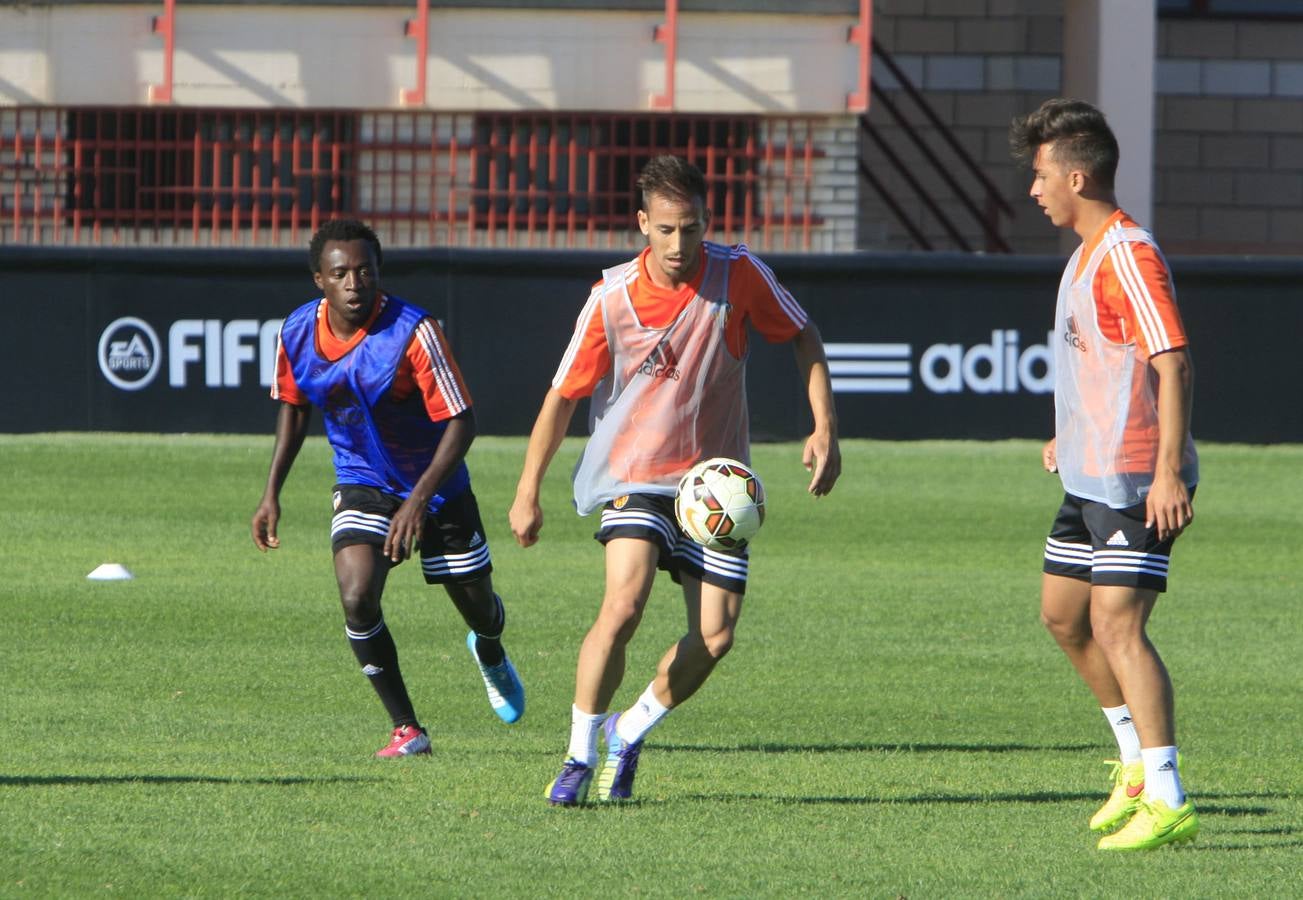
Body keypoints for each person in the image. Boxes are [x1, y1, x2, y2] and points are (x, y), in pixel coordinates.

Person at [508, 155, 841, 805]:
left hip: (714, 487)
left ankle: (628, 732)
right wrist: (527, 491)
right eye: (665, 229)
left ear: (705, 222)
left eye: (690, 228)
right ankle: (578, 756)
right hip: (633, 475)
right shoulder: (610, 298)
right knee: (623, 604)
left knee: (715, 636)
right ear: (641, 224)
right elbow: (561, 396)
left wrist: (823, 427)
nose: (679, 244)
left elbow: (804, 336)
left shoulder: (738, 275)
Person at [251, 218, 524, 758]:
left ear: (379, 273)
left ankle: (489, 650)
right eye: (340, 273)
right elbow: (293, 406)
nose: (354, 282)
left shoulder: (413, 332)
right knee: (356, 596)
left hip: (436, 484)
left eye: (364, 271)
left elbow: (462, 421)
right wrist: (271, 492)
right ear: (319, 280)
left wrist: (418, 502)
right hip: (362, 479)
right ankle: (408, 729)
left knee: (479, 609)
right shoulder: (297, 332)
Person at [1010, 99, 1200, 850]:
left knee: (1119, 627)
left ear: (1077, 176)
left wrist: (1166, 476)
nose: (1034, 190)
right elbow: (1099, 366)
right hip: (1087, 477)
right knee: (1062, 616)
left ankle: (1167, 794)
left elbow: (1170, 361)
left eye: (1041, 175)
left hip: (1133, 481)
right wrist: (1066, 433)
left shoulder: (1127, 253)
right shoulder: (1083, 255)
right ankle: (1130, 765)